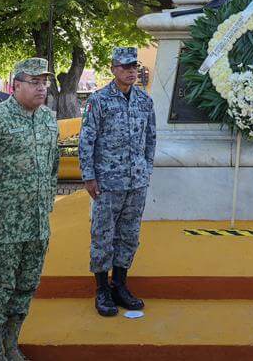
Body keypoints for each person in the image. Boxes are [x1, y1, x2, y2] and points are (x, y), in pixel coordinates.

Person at [0, 57, 60, 361]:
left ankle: (12, 345)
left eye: (44, 82)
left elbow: (52, 167)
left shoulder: (48, 119)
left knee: (26, 288)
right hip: (2, 225)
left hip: (36, 224)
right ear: (15, 85)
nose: (42, 87)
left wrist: (46, 203)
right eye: (34, 82)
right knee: (0, 291)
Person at [79, 46, 156, 317]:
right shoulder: (99, 100)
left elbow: (151, 138)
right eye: (125, 67)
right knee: (102, 235)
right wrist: (88, 175)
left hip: (136, 182)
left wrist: (146, 169)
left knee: (129, 234)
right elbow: (87, 139)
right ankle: (102, 289)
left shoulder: (145, 101)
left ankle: (120, 285)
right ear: (113, 69)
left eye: (134, 66)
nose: (131, 71)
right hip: (107, 182)